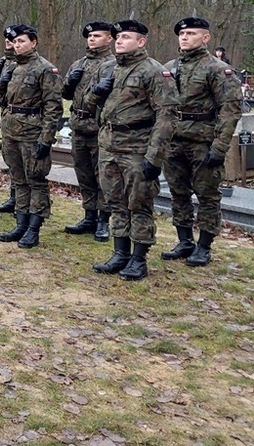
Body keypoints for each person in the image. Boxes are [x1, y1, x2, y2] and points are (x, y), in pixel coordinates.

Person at [85, 19, 177, 281]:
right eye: (118, 37)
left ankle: (138, 259)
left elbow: (167, 116)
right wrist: (96, 92)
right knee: (116, 203)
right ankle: (120, 253)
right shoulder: (112, 68)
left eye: (126, 37)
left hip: (137, 148)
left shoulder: (153, 71)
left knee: (138, 204)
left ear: (141, 41)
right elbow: (90, 105)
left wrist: (154, 155)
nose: (120, 41)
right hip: (110, 146)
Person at [160, 17, 242, 267]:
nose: (184, 37)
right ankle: (184, 240)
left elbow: (230, 109)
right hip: (174, 141)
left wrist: (219, 147)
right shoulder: (169, 67)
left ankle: (204, 245)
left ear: (205, 38)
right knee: (178, 193)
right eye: (182, 34)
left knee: (207, 196)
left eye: (191, 33)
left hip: (203, 142)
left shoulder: (216, 68)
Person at [0, 24, 63, 249]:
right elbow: (3, 102)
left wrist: (46, 139)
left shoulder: (45, 69)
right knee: (18, 179)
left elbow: (54, 108)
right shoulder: (13, 67)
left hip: (32, 134)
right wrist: (0, 83)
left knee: (35, 181)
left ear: (34, 42)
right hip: (11, 131)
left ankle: (34, 228)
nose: (17, 45)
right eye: (14, 42)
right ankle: (21, 222)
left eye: (21, 41)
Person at [61, 22, 115, 240]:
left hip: (99, 128)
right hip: (78, 126)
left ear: (109, 39)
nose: (92, 39)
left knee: (102, 176)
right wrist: (69, 83)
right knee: (83, 175)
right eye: (90, 36)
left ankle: (103, 220)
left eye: (97, 36)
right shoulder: (79, 63)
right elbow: (65, 94)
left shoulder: (113, 64)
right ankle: (89, 215)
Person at [0, 25, 20, 212]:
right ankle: (13, 196)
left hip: (26, 121)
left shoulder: (26, 64)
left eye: (13, 39)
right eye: (7, 39)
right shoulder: (1, 62)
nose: (9, 41)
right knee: (11, 160)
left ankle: (22, 201)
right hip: (7, 116)